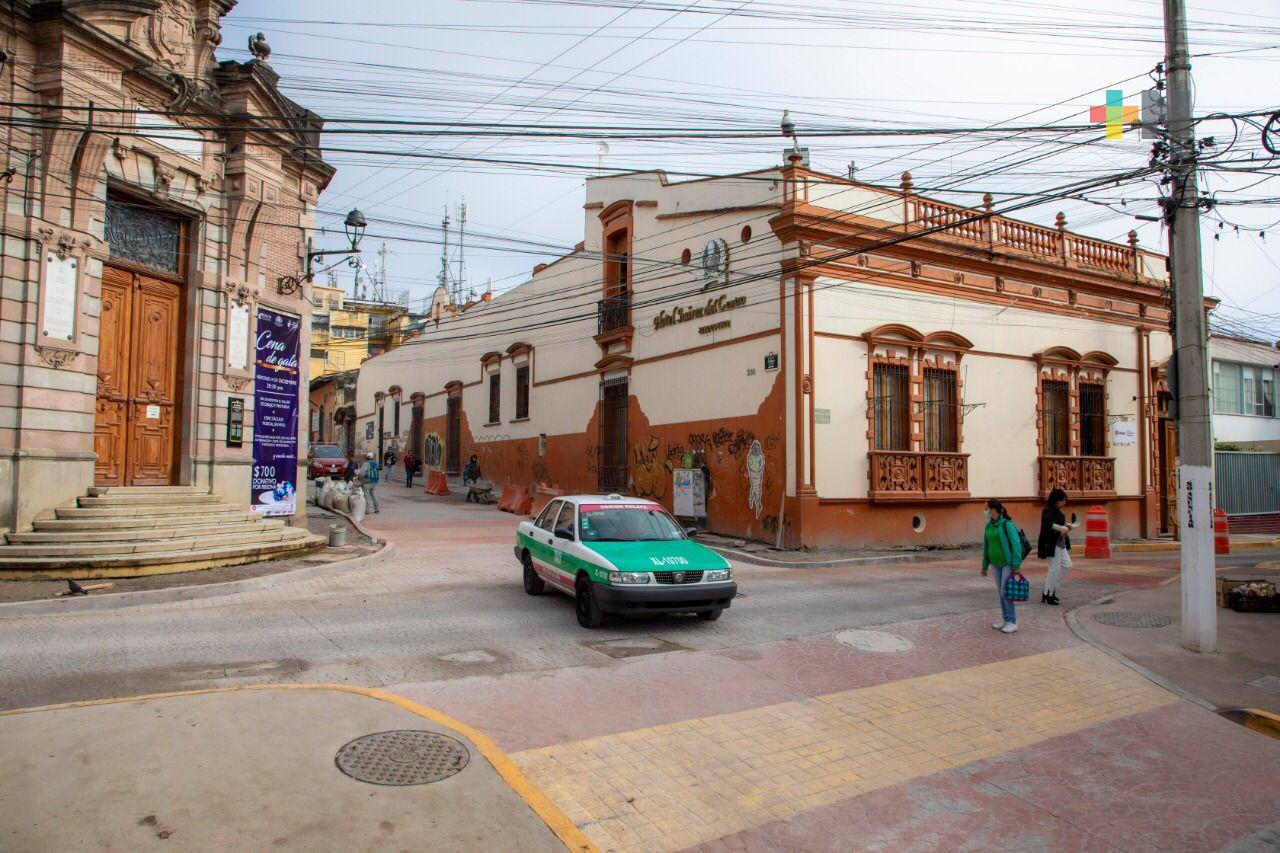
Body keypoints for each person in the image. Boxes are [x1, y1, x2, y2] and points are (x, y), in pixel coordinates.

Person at [981, 498, 1024, 634]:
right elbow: (986, 545)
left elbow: (1016, 545)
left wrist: (1016, 565)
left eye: (986, 508)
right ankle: (1005, 619)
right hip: (995, 564)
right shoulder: (988, 526)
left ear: (994, 509)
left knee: (1005, 591)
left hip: (1007, 563)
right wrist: (984, 565)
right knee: (1001, 592)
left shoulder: (1007, 525)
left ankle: (1012, 621)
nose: (985, 511)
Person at [1038, 488, 1077, 605]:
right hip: (1051, 544)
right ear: (1057, 500)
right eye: (1063, 500)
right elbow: (1048, 527)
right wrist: (1061, 530)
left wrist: (1068, 526)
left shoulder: (1057, 511)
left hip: (1060, 543)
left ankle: (1048, 590)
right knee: (1054, 569)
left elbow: (1059, 525)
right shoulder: (1048, 511)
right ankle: (1049, 594)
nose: (1064, 502)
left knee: (1067, 565)